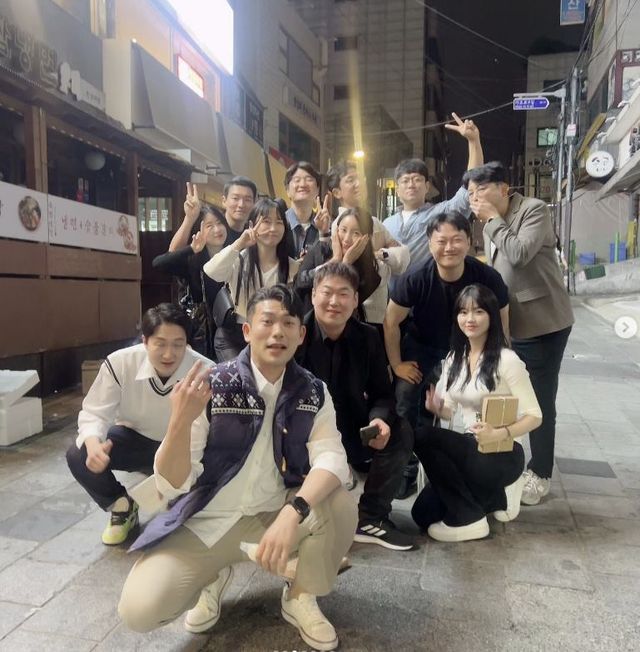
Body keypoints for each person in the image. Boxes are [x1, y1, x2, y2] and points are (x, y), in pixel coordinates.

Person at [118, 285, 357, 652]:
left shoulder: (313, 392)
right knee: (139, 610)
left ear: (301, 334)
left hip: (272, 515)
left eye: (288, 323)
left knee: (339, 503)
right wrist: (179, 423)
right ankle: (211, 577)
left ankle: (300, 594)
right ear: (247, 331)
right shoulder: (212, 384)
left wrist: (293, 511)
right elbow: (173, 484)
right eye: (267, 321)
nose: (277, 333)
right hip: (207, 522)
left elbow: (332, 458)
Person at [464, 161, 574, 505]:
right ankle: (500, 462)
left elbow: (519, 254)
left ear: (504, 188)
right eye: (471, 193)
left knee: (538, 399)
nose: (475, 198)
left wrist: (492, 220)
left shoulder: (534, 210)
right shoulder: (489, 223)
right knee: (501, 395)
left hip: (542, 322)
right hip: (511, 324)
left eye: (481, 190)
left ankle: (540, 473)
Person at [383, 212, 510, 497]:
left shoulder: (487, 277)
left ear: (469, 241)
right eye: (441, 241)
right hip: (423, 344)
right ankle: (405, 468)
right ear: (430, 243)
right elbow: (390, 322)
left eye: (457, 240)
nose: (449, 247)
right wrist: (397, 364)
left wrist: (501, 361)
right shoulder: (415, 278)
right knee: (405, 397)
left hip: (470, 346)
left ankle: (481, 464)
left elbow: (503, 321)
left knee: (483, 398)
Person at [66, 304, 212, 545]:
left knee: (189, 507)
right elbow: (94, 412)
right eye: (160, 344)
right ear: (145, 341)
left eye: (178, 345)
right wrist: (93, 445)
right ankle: (122, 507)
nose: (169, 354)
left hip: (183, 448)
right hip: (135, 440)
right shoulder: (120, 363)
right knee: (78, 453)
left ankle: (183, 501)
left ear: (188, 344)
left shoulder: (205, 371)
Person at [296, 262, 415, 551]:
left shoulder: (368, 337)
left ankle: (371, 516)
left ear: (355, 299)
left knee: (400, 430)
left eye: (343, 294)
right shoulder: (296, 335)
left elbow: (382, 394)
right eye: (327, 292)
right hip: (306, 434)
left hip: (351, 428)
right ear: (313, 295)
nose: (334, 301)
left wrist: (378, 420)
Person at [411, 284, 542, 542]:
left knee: (423, 436)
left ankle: (469, 519)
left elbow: (535, 416)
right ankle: (495, 497)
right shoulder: (455, 358)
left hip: (503, 452)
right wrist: (437, 408)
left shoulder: (507, 360)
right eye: (463, 312)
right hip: (471, 448)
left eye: (478, 311)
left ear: (492, 316)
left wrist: (499, 433)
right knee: (422, 514)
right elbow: (449, 411)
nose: (469, 319)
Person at [203, 198, 300, 361]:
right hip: (234, 336)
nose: (273, 228)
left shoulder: (291, 267)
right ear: (252, 225)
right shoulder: (238, 259)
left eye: (279, 222)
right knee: (242, 375)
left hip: (271, 335)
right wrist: (240, 243)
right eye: (266, 222)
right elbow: (211, 271)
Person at [384, 113, 484, 266]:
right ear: (397, 190)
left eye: (417, 179)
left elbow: (470, 187)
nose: (411, 184)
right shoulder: (387, 224)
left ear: (427, 187)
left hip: (428, 282)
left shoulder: (440, 214)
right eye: (405, 181)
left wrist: (473, 141)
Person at [295, 207, 403, 327]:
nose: (347, 239)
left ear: (366, 238)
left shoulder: (370, 272)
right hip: (310, 327)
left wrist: (345, 264)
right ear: (336, 230)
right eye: (343, 230)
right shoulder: (321, 248)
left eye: (356, 233)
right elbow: (300, 282)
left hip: (346, 330)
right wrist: (335, 260)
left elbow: (347, 304)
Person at [152, 205, 228, 358]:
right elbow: (158, 263)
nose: (217, 229)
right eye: (209, 226)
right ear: (199, 231)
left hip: (228, 334)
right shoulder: (192, 261)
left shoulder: (234, 255)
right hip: (200, 336)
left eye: (220, 223)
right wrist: (191, 249)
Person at [169, 177, 256, 252]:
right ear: (224, 201)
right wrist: (189, 218)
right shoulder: (209, 229)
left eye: (247, 199)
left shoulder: (252, 235)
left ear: (254, 203)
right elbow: (174, 253)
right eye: (235, 198)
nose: (241, 204)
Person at [284, 161, 331, 258]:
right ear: (287, 190)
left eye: (309, 179)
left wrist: (324, 233)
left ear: (317, 189)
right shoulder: (279, 223)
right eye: (297, 180)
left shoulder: (326, 226)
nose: (303, 184)